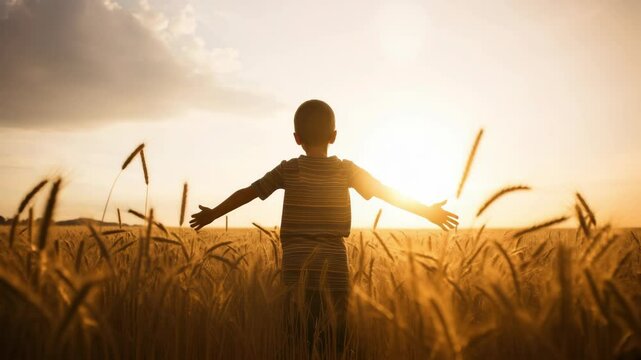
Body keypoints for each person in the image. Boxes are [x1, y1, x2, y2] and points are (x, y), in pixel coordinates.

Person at [190, 99, 458, 357]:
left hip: (296, 276)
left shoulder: (288, 170)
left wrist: (214, 213)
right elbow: (386, 192)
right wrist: (427, 212)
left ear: (296, 138)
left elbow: (249, 192)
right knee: (335, 346)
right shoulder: (346, 171)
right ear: (334, 135)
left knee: (297, 344)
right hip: (336, 274)